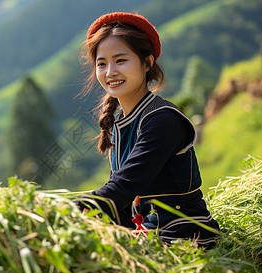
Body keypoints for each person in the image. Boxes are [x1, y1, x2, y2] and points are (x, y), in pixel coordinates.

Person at [79, 12, 219, 248]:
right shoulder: (123, 122)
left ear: (147, 63)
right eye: (101, 64)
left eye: (121, 60)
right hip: (147, 236)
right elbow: (123, 205)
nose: (110, 71)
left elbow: (124, 187)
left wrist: (70, 211)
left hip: (184, 238)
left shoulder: (162, 119)